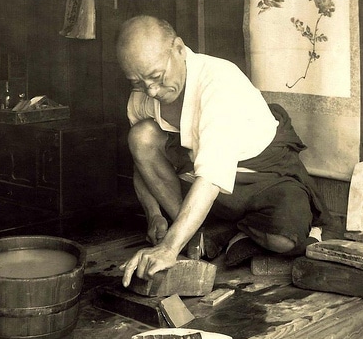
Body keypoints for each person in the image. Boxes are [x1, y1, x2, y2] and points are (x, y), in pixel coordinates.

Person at [116, 15, 331, 287]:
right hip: (202, 181)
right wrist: (154, 215)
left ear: (179, 49)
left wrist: (168, 247)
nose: (151, 90)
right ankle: (198, 232)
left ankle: (221, 232)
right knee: (141, 135)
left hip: (263, 175)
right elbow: (141, 159)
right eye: (137, 82)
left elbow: (212, 177)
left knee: (284, 240)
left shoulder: (218, 82)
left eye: (156, 77)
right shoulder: (144, 95)